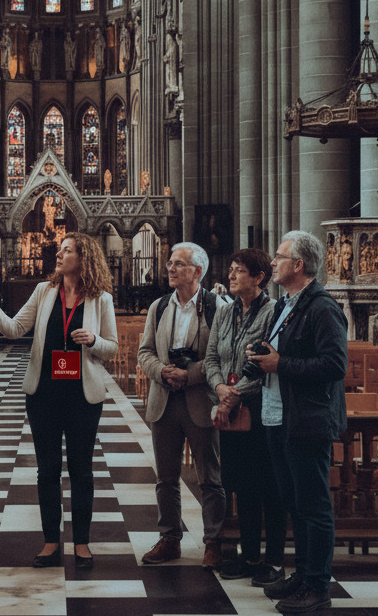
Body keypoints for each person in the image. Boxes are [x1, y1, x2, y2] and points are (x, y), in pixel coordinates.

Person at [0, 232, 118, 569]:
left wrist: (94, 340)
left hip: (83, 397)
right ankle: (51, 541)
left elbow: (112, 347)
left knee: (81, 470)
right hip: (44, 395)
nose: (58, 255)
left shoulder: (101, 299)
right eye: (60, 250)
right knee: (47, 470)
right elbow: (15, 329)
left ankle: (82, 543)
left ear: (84, 258)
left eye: (66, 250)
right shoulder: (44, 291)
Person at [247, 231, 348, 614]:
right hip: (279, 416)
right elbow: (285, 352)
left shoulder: (322, 307)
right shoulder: (287, 305)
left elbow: (335, 365)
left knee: (314, 507)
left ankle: (318, 586)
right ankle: (303, 575)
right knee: (295, 503)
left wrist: (281, 364)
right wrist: (263, 355)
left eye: (279, 256)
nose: (273, 262)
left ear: (299, 265)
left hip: (307, 420)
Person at [138, 242, 227, 569]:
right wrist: (161, 371)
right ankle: (169, 539)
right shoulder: (159, 306)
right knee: (166, 477)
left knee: (210, 477)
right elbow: (144, 351)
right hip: (164, 401)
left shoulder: (218, 307)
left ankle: (213, 542)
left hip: (200, 400)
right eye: (170, 263)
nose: (170, 268)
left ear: (197, 271)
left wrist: (189, 375)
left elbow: (222, 357)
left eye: (178, 264)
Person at [203, 248, 287, 586]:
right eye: (231, 269)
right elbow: (212, 357)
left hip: (260, 412)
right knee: (241, 486)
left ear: (259, 277)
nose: (231, 275)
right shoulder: (225, 312)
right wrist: (220, 388)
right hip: (231, 412)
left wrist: (235, 394)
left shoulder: (273, 312)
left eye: (238, 270)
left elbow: (266, 363)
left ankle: (274, 560)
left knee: (269, 488)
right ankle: (250, 555)